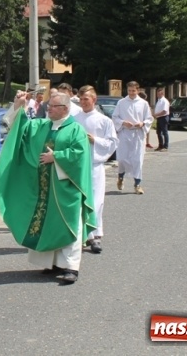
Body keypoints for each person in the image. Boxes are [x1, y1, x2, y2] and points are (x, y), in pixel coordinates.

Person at [0, 91, 95, 284]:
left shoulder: (76, 130)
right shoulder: (42, 126)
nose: (47, 110)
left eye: (52, 107)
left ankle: (72, 267)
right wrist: (19, 105)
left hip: (67, 188)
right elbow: (22, 128)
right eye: (48, 107)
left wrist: (56, 157)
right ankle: (54, 263)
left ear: (65, 109)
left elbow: (79, 155)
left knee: (70, 226)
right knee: (49, 225)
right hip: (44, 188)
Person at [76, 85, 118, 254]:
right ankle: (80, 236)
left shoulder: (104, 120)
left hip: (94, 166)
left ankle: (95, 236)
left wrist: (95, 140)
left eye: (86, 99)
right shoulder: (74, 118)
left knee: (95, 201)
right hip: (77, 166)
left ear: (94, 100)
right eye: (81, 99)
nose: (83, 102)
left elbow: (113, 142)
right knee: (78, 202)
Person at [112, 81, 154, 194]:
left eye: (133, 91)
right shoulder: (121, 102)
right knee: (122, 159)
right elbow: (115, 117)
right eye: (129, 91)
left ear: (138, 90)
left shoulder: (143, 103)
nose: (131, 93)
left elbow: (149, 118)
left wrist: (143, 123)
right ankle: (120, 177)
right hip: (124, 133)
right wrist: (123, 122)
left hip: (137, 134)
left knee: (137, 160)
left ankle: (137, 184)